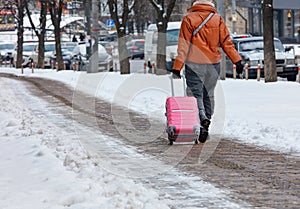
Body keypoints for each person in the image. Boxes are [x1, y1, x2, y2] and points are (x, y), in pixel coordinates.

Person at [171, 0, 243, 143]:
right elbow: (227, 42)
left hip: (194, 62)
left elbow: (184, 46)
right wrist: (237, 60)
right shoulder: (217, 19)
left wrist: (177, 67)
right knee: (208, 94)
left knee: (194, 94)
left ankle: (201, 118)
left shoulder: (189, 19)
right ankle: (206, 124)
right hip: (213, 63)